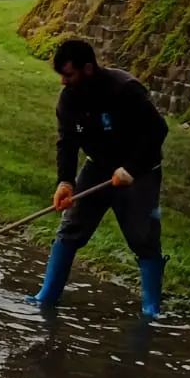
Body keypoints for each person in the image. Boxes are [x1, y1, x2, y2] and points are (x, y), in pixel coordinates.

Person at [30, 38, 169, 317]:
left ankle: (151, 309)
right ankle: (45, 296)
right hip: (98, 168)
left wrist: (131, 168)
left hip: (140, 172)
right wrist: (65, 182)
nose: (63, 82)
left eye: (68, 75)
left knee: (143, 237)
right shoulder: (68, 100)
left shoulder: (124, 90)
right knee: (70, 229)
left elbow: (158, 130)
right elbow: (67, 143)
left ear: (89, 68)